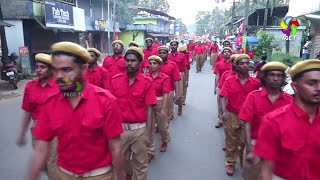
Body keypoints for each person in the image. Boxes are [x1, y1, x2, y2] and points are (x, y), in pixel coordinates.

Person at [28, 42, 125, 180]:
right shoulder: (51, 102)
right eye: (56, 70)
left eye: (67, 70)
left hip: (99, 176)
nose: (59, 76)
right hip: (63, 175)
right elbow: (40, 149)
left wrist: (120, 176)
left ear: (84, 69)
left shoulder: (106, 101)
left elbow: (116, 148)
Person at [254, 59, 320, 180]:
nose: (318, 88)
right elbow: (266, 170)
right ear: (295, 86)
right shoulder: (274, 121)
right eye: (311, 83)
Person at [238, 62, 293, 180]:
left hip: (279, 149)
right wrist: (249, 149)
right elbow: (246, 122)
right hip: (255, 145)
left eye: (279, 75)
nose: (275, 78)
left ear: (283, 79)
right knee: (250, 176)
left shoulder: (289, 100)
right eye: (272, 75)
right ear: (265, 78)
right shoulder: (253, 97)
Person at [110, 47, 157, 180]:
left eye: (133, 61)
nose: (129, 63)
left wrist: (148, 134)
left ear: (140, 63)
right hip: (120, 131)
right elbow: (111, 108)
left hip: (139, 130)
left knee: (141, 166)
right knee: (120, 163)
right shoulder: (115, 80)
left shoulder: (147, 82)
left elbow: (149, 109)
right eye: (127, 60)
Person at [17, 53, 59, 180]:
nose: (39, 70)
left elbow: (80, 90)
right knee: (41, 163)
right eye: (37, 67)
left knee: (52, 162)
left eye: (43, 67)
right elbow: (27, 112)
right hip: (37, 128)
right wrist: (22, 133)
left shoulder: (61, 83)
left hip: (56, 128)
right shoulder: (30, 86)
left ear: (51, 69)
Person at [220, 54, 260, 176]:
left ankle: (243, 159)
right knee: (231, 140)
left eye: (247, 63)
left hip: (248, 117)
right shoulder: (229, 80)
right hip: (232, 114)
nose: (244, 65)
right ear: (236, 66)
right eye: (241, 63)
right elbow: (223, 96)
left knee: (244, 141)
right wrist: (224, 112)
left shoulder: (255, 82)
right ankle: (230, 162)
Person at [146, 55, 171, 162]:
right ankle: (150, 150)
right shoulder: (145, 77)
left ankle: (165, 140)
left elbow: (166, 93)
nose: (152, 65)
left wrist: (164, 108)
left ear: (159, 65)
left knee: (162, 126)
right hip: (148, 104)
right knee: (149, 127)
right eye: (150, 63)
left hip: (160, 102)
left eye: (154, 63)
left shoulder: (164, 77)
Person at [158, 46, 181, 121]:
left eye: (164, 53)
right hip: (156, 92)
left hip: (169, 91)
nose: (161, 54)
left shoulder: (173, 65)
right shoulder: (154, 64)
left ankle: (165, 127)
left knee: (168, 111)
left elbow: (176, 79)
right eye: (160, 53)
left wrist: (177, 93)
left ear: (167, 54)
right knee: (157, 111)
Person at [214, 47, 233, 128]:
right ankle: (220, 119)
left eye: (228, 52)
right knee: (220, 104)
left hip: (232, 87)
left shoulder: (234, 64)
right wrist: (215, 87)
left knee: (229, 104)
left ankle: (229, 120)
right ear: (222, 54)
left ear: (231, 53)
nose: (226, 53)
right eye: (225, 52)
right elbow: (217, 76)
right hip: (221, 86)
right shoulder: (219, 64)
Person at [168, 40, 188, 115]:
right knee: (169, 94)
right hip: (169, 75)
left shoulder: (182, 55)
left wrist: (186, 79)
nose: (173, 46)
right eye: (172, 45)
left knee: (179, 93)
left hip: (180, 75)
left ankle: (180, 107)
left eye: (174, 45)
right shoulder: (168, 56)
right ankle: (171, 112)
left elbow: (185, 68)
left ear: (177, 46)